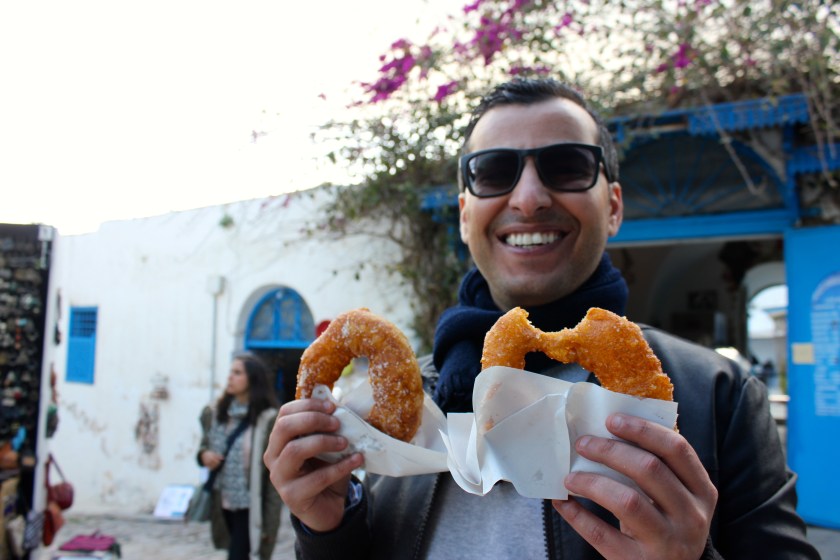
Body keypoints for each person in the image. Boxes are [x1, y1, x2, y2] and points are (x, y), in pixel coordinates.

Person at [263, 78, 820, 559]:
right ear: (464, 216)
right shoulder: (401, 407)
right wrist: (327, 526)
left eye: (567, 166)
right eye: (493, 171)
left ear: (615, 206)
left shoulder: (714, 398)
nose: (528, 198)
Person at [198, 352, 283, 560]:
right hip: (222, 501)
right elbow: (203, 447)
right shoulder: (215, 413)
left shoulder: (268, 420)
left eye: (237, 373)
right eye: (230, 372)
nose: (230, 377)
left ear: (252, 379)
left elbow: (273, 476)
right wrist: (204, 456)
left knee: (238, 554)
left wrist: (270, 523)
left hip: (250, 505)